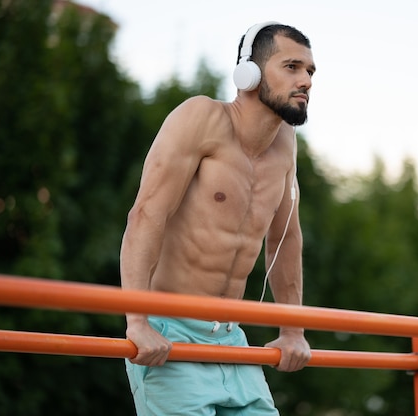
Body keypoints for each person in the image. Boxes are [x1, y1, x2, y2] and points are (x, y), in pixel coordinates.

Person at [121, 22, 316, 415]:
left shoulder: (285, 145)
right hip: (168, 334)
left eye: (310, 71)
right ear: (250, 73)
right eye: (292, 67)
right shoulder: (201, 118)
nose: (306, 81)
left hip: (232, 339)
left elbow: (285, 239)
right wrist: (137, 322)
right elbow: (146, 214)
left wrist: (292, 331)